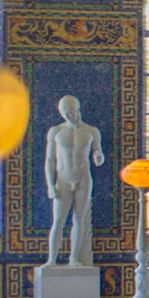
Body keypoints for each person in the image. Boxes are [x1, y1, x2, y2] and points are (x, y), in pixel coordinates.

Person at [44, 95, 103, 267]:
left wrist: (99, 157)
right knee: (58, 220)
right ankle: (51, 259)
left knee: (79, 219)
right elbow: (50, 160)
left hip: (83, 178)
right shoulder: (56, 131)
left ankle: (74, 258)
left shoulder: (91, 131)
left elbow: (98, 154)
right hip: (62, 179)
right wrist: (50, 184)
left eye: (70, 111)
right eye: (64, 112)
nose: (67, 115)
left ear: (77, 109)